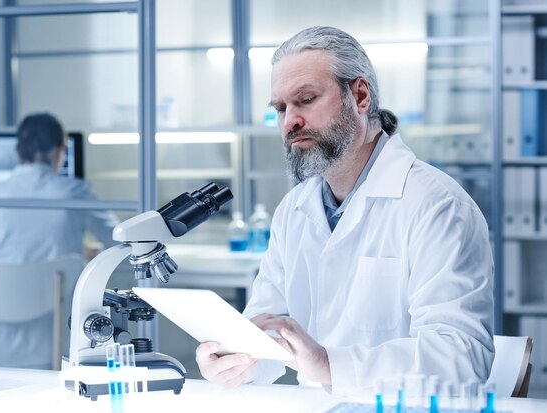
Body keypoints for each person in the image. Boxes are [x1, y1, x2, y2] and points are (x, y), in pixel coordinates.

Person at [196, 26, 494, 393]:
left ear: (361, 96)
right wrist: (235, 360)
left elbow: (461, 359)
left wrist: (327, 364)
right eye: (281, 108)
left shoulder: (437, 206)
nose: (290, 121)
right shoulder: (295, 209)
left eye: (306, 99)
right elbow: (267, 327)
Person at [0, 112, 120, 368]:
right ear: (60, 150)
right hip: (55, 336)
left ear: (18, 152)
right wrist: (80, 255)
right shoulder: (74, 193)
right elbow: (118, 242)